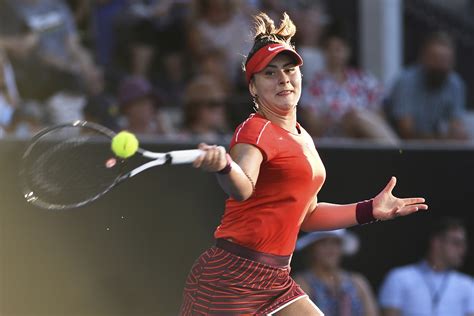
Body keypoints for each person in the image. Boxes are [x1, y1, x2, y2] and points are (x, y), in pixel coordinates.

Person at [180, 13, 428, 315]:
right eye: (270, 73)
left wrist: (368, 210)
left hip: (276, 279)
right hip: (230, 279)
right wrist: (225, 166)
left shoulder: (303, 137)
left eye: (289, 70)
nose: (283, 78)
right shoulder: (255, 129)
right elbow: (243, 186)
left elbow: (307, 215)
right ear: (253, 88)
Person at [300, 29, 398, 143]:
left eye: (339, 48)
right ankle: (400, 152)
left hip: (365, 140)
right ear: (324, 52)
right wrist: (343, 121)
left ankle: (398, 152)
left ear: (348, 51)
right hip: (333, 142)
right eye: (330, 49)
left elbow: (380, 116)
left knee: (359, 117)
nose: (335, 53)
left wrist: (358, 120)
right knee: (356, 117)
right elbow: (312, 128)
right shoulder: (314, 84)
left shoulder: (363, 79)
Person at [379, 217, 474, 316]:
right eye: (456, 243)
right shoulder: (399, 278)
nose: (462, 250)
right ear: (436, 242)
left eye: (464, 244)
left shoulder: (468, 285)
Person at [384, 32, 469, 140]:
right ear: (423, 58)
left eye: (445, 60)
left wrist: (457, 134)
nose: (440, 65)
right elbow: (406, 132)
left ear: (452, 62)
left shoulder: (455, 84)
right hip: (397, 148)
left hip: (433, 145)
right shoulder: (406, 81)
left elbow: (456, 126)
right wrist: (443, 140)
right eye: (435, 59)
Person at [294, 229, 379, 316]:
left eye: (335, 243)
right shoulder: (302, 283)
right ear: (312, 249)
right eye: (323, 243)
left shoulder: (358, 282)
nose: (330, 249)